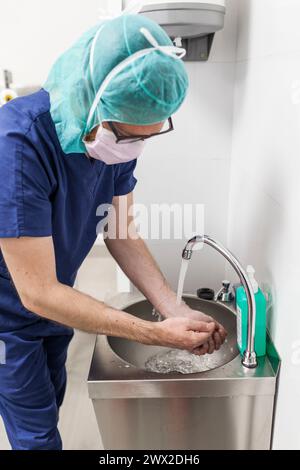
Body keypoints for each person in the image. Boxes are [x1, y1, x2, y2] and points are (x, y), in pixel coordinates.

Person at [0, 13, 227, 450]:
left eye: (146, 137)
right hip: (10, 315)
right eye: (126, 135)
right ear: (92, 100)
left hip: (54, 300)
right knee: (36, 434)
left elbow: (121, 231)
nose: (130, 149)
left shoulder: (112, 137)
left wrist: (172, 308)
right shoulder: (17, 144)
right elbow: (37, 293)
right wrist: (152, 332)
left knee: (52, 398)